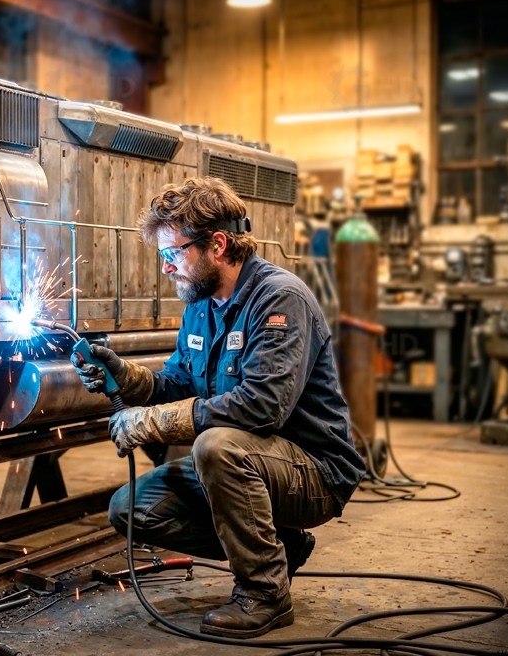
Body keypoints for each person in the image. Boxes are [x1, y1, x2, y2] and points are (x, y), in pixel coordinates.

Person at [73, 176, 365, 638]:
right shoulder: (202, 304)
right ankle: (280, 547)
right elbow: (179, 382)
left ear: (218, 245)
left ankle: (265, 593)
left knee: (216, 446)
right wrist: (126, 378)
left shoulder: (278, 297)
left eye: (174, 253)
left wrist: (152, 423)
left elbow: (261, 408)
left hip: (314, 471)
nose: (167, 268)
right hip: (251, 465)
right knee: (132, 509)